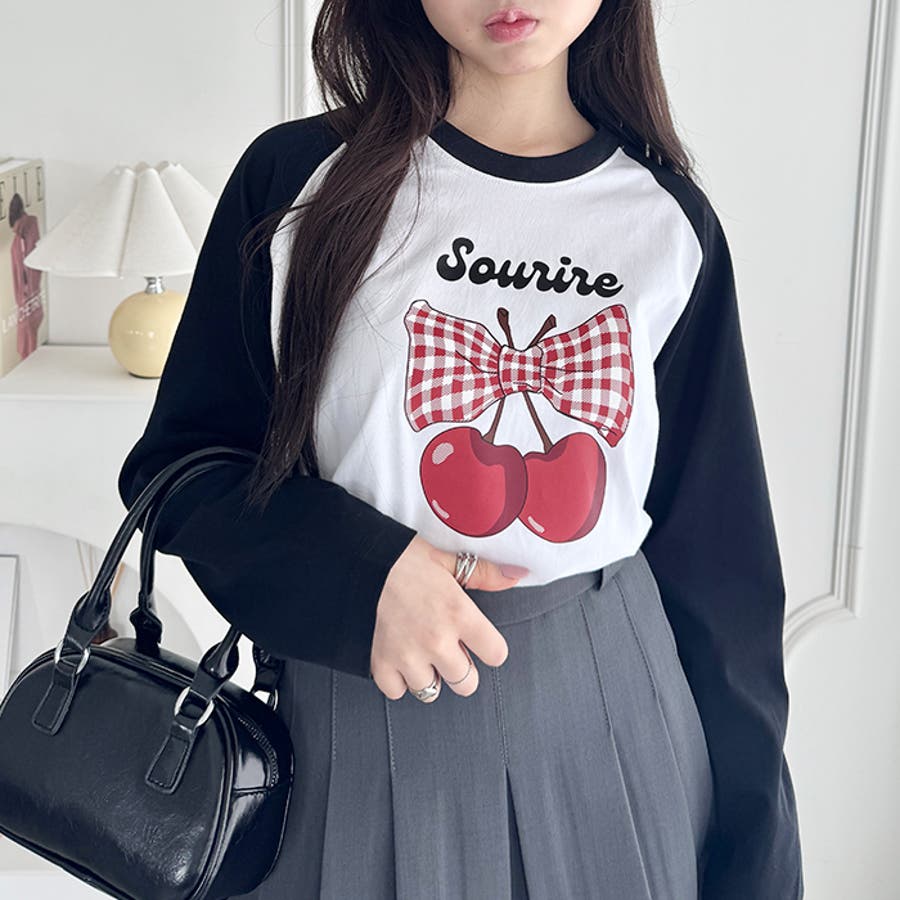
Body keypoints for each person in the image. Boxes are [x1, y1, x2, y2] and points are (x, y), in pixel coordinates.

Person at [117, 1, 804, 897]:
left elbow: (720, 565)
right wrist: (360, 574)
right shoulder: (297, 180)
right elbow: (182, 469)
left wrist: (759, 855)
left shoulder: (667, 221)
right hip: (350, 716)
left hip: (608, 714)